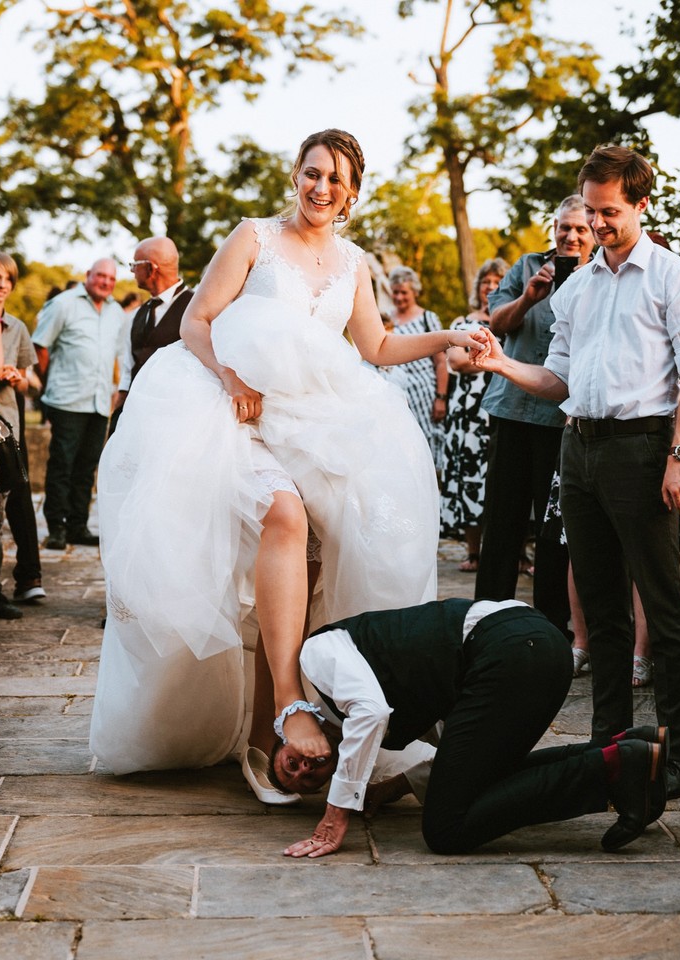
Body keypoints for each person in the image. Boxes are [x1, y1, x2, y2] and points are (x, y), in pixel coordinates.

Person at [88, 129, 488, 799]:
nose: (320, 187)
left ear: (352, 193)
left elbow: (379, 345)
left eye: (334, 178)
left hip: (315, 421)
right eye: (311, 173)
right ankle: (286, 705)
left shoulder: (355, 263)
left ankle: (287, 725)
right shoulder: (254, 237)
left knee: (335, 549)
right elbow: (197, 321)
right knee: (283, 513)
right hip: (231, 411)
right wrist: (234, 379)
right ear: (295, 176)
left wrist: (446, 338)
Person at [474, 146, 680, 800]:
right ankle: (609, 747)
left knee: (664, 611)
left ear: (642, 204)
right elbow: (556, 380)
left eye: (611, 212)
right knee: (602, 612)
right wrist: (500, 364)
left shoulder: (675, 278)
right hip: (577, 451)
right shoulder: (574, 288)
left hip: (645, 452)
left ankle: (673, 758)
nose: (600, 223)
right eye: (592, 210)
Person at [270, 599, 669, 857]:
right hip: (533, 648)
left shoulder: (316, 655)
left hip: (508, 649)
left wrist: (337, 811)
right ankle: (629, 749)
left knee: (446, 829)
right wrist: (398, 785)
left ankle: (613, 769)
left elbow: (372, 712)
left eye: (290, 764)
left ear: (285, 739)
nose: (305, 768)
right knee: (478, 785)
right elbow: (463, 754)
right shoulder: (356, 726)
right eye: (308, 781)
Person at [474, 196, 592, 635]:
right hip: (510, 409)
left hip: (559, 419)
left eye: (580, 229)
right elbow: (496, 322)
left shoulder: (598, 277)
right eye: (565, 227)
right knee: (502, 517)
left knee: (551, 526)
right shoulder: (527, 266)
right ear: (554, 227)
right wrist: (529, 297)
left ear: (593, 232)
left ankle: (550, 624)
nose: (571, 236)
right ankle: (486, 618)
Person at [32, 258, 125, 549]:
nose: (105, 282)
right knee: (62, 464)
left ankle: (78, 526)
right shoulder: (63, 303)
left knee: (86, 468)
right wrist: (51, 382)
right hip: (67, 399)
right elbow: (40, 346)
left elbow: (119, 354)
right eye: (100, 276)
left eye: (111, 278)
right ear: (88, 276)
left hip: (99, 402)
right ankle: (56, 528)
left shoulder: (116, 312)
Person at [0, 252, 44, 611]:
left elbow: (33, 383)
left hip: (8, 430)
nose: (2, 285)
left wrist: (20, 379)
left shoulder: (17, 327)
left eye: (8, 280)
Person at [440, 257, 507, 569]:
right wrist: (496, 356)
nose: (490, 288)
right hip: (468, 411)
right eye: (486, 283)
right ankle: (473, 552)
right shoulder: (462, 322)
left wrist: (476, 356)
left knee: (501, 476)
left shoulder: (510, 321)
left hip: (501, 408)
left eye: (496, 283)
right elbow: (455, 361)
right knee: (469, 474)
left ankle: (513, 553)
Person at [114, 236, 192, 427]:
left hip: (176, 414)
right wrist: (118, 412)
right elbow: (128, 366)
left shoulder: (197, 307)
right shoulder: (136, 315)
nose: (132, 271)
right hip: (135, 412)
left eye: (135, 264)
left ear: (150, 268)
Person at [381, 266, 448, 471]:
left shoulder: (427, 318)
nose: (399, 297)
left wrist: (441, 398)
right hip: (395, 395)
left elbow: (441, 362)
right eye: (395, 292)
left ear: (415, 292)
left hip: (426, 394)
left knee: (427, 450)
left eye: (404, 292)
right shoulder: (386, 319)